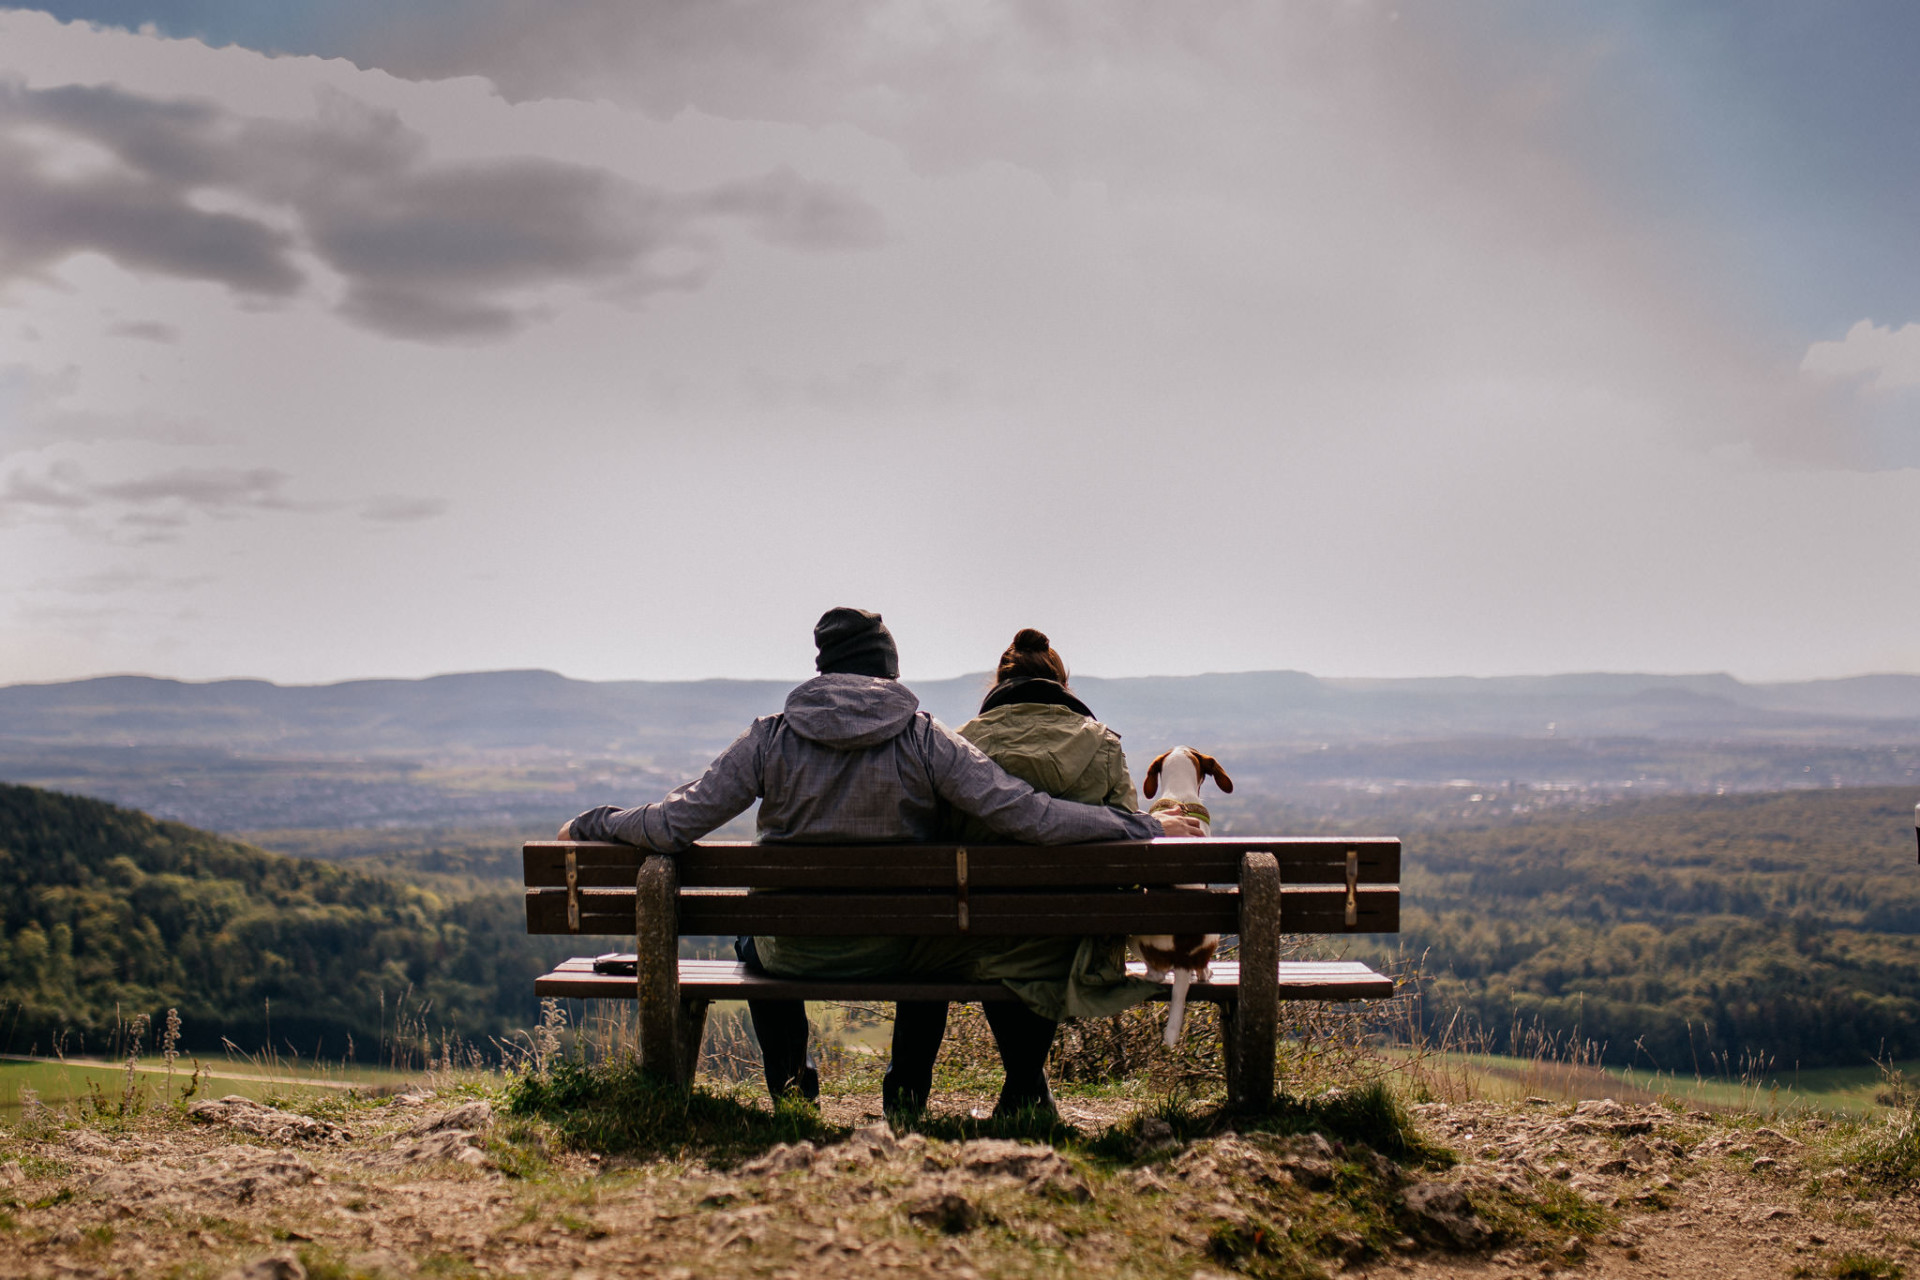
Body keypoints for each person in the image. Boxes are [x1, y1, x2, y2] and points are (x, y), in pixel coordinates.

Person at [559, 607, 1201, 1110]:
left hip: (793, 949)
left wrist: (593, 822)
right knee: (941, 928)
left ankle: (789, 1086)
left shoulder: (769, 737)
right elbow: (1028, 814)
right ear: (888, 670)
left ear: (823, 668)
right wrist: (1133, 824)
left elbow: (674, 823)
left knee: (748, 937)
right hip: (901, 945)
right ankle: (905, 1093)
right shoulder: (925, 737)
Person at [885, 628, 1164, 1116]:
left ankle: (907, 1099)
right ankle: (1023, 1096)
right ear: (1061, 683)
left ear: (1000, 683)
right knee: (1039, 938)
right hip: (1065, 939)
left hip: (963, 934)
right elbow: (1127, 847)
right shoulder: (1103, 746)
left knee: (946, 940)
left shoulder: (960, 743)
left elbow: (930, 837)